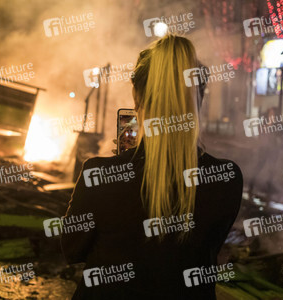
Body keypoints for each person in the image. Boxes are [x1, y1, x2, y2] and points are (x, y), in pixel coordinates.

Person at [61, 35, 243, 299]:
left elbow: (72, 250)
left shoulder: (98, 174)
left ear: (137, 95)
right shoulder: (227, 177)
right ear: (198, 100)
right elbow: (205, 251)